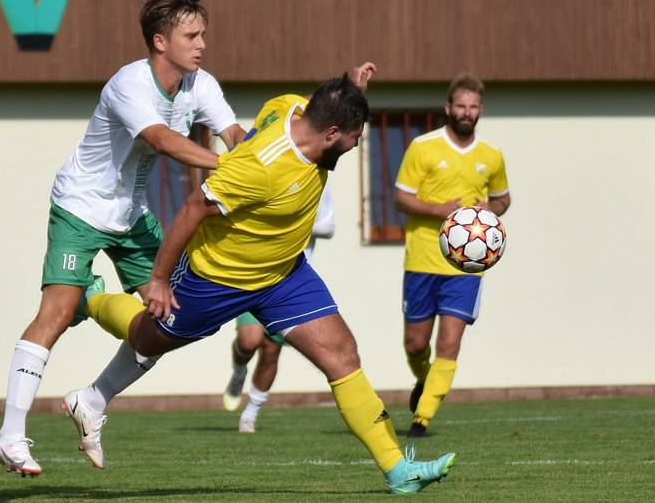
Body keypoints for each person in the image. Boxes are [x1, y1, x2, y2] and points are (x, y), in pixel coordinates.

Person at [74, 73, 457, 494]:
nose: (357, 144)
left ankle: (398, 470)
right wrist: (160, 280)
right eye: (354, 137)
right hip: (216, 278)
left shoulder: (291, 106)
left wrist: (355, 92)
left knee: (342, 354)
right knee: (146, 339)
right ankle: (90, 298)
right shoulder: (261, 167)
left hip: (284, 275)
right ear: (331, 133)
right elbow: (192, 208)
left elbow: (323, 108)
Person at [0, 0, 248, 477]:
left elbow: (233, 133)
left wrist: (252, 154)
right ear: (159, 41)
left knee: (170, 321)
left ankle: (93, 399)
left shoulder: (201, 84)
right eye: (191, 36)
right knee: (57, 313)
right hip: (80, 209)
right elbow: (162, 140)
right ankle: (9, 436)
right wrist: (227, 166)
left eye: (203, 35)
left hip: (132, 218)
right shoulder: (130, 83)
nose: (201, 45)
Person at [394, 72, 511, 437]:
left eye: (473, 106)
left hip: (467, 265)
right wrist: (441, 209)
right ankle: (425, 380)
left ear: (480, 111)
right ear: (448, 107)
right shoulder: (422, 147)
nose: (466, 112)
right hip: (422, 259)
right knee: (415, 343)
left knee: (450, 342)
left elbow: (504, 199)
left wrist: (487, 209)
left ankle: (422, 418)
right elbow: (401, 197)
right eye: (460, 105)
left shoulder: (491, 156)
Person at [223, 178, 335, 434]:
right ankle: (239, 369)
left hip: (290, 279)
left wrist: (292, 224)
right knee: (249, 341)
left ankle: (250, 414)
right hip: (254, 271)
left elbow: (328, 227)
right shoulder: (269, 170)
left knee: (271, 350)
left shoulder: (319, 179)